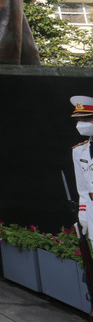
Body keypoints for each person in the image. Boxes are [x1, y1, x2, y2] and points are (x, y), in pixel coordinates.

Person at [71, 96, 93, 245]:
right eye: (79, 120)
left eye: (86, 119)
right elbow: (83, 190)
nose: (81, 124)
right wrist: (83, 216)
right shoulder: (79, 151)